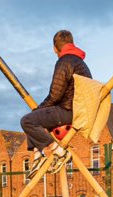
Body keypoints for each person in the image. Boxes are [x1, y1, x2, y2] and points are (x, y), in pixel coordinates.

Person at [20, 29, 91, 176]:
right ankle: (38, 155)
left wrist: (38, 109)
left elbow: (55, 95)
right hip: (78, 110)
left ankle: (59, 152)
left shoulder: (64, 61)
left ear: (55, 48)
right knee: (36, 117)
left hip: (68, 111)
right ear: (72, 43)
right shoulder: (80, 63)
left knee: (27, 120)